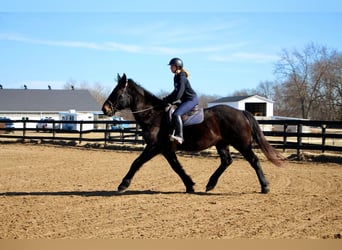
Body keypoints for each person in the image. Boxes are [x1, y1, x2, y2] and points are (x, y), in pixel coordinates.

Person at [163, 58, 198, 144]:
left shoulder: (182, 77)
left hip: (191, 100)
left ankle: (180, 136)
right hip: (185, 100)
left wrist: (171, 100)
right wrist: (167, 98)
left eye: (172, 66)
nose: (170, 68)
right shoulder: (176, 77)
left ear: (177, 67)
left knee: (176, 114)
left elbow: (179, 94)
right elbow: (175, 91)